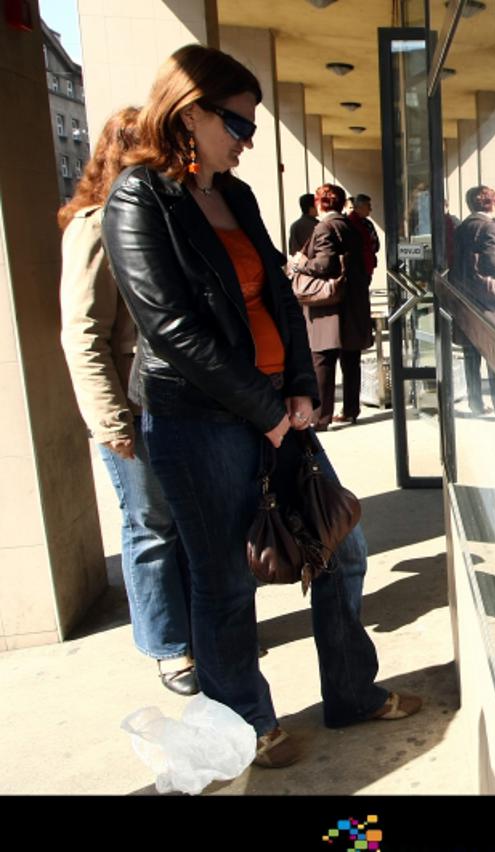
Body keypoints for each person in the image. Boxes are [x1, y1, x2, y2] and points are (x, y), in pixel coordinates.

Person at [101, 44, 420, 770]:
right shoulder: (139, 197)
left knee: (341, 545)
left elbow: (279, 294)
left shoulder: (236, 195)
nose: (248, 141)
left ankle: (352, 693)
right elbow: (170, 329)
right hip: (197, 420)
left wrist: (302, 387)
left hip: (279, 408)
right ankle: (247, 725)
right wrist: (265, 409)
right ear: (189, 110)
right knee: (223, 579)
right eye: (238, 125)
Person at [58, 106, 197, 697]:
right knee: (151, 527)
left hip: (174, 403)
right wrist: (112, 421)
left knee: (184, 523)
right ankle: (169, 647)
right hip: (131, 412)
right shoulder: (94, 225)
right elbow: (82, 333)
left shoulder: (161, 217)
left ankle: (190, 631)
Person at [288, 183, 373, 428]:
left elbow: (324, 264)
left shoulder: (325, 227)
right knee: (350, 359)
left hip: (329, 306)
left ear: (319, 202)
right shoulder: (351, 226)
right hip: (352, 303)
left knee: (322, 360)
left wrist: (299, 265)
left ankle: (321, 417)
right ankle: (350, 410)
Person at [449, 185, 495, 415]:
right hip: (487, 300)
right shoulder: (490, 227)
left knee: (471, 354)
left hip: (466, 298)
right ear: (492, 202)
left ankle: (476, 403)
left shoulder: (462, 227)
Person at [348, 193, 380, 280]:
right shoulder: (349, 223)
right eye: (368, 206)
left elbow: (374, 241)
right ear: (358, 208)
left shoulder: (367, 223)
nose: (370, 209)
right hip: (357, 267)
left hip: (367, 265)